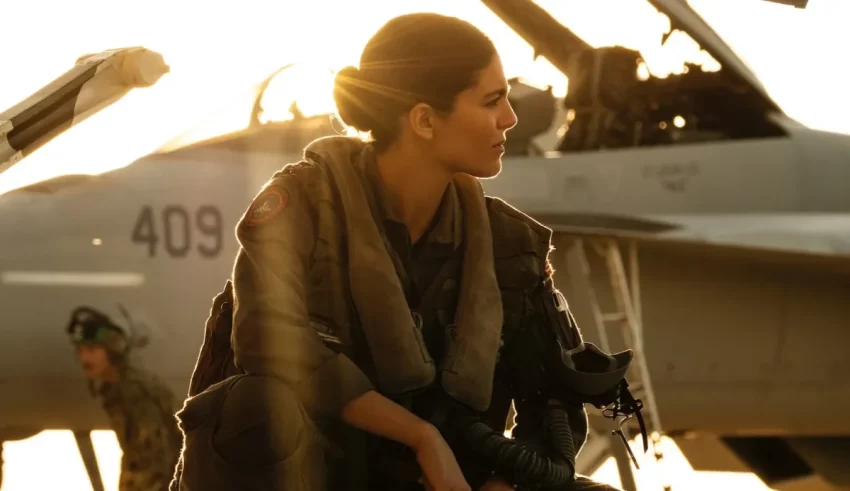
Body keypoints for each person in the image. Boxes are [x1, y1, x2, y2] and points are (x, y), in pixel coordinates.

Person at [174, 12, 637, 491]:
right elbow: (266, 339)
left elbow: (550, 405)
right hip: (326, 474)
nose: (510, 118)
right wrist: (421, 438)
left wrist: (502, 483)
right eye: (491, 100)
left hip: (453, 478)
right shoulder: (305, 210)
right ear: (424, 119)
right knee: (256, 410)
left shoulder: (508, 244)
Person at [67, 306, 183, 491]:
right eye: (80, 350)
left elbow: (149, 459)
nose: (84, 358)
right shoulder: (117, 387)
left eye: (91, 349)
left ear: (112, 351)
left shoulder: (133, 393)